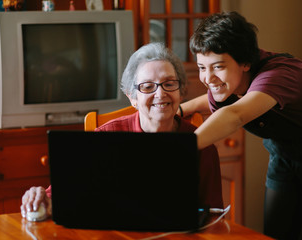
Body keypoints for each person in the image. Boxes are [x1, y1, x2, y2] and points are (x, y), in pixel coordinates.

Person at [179, 11, 302, 240]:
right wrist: (184, 108)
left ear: (245, 62)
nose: (208, 78)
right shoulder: (227, 83)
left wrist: (178, 151)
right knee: (274, 233)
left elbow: (235, 114)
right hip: (284, 154)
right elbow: (219, 101)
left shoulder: (278, 75)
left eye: (218, 66)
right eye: (202, 67)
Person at [20, 42, 223, 220]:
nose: (161, 94)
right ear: (132, 98)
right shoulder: (103, 138)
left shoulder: (203, 145)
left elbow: (215, 217)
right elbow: (58, 197)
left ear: (180, 91)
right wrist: (39, 198)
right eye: (147, 87)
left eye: (169, 84)